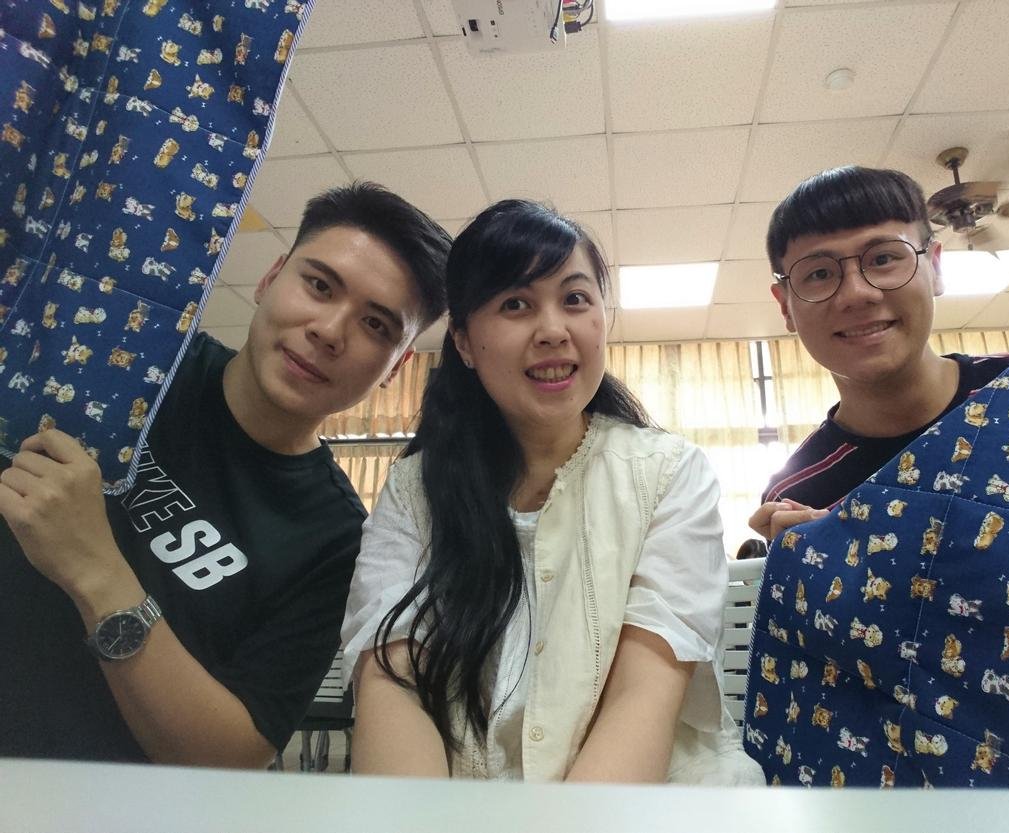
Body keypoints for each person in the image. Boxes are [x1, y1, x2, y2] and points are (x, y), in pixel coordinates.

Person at [0, 182, 451, 766]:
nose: (330, 331)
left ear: (397, 366)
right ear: (270, 277)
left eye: (376, 325)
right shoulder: (134, 354)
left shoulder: (338, 542)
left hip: (87, 799)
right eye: (319, 285)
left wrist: (97, 574)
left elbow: (237, 752)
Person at [341, 199, 758, 784]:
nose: (554, 330)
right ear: (463, 342)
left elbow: (644, 694)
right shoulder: (415, 489)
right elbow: (393, 678)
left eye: (575, 299)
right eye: (515, 304)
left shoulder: (668, 474)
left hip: (646, 804)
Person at [749, 165, 1009, 541]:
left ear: (935, 267)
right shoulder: (796, 497)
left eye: (883, 259)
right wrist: (798, 564)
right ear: (785, 305)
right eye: (819, 274)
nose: (857, 293)